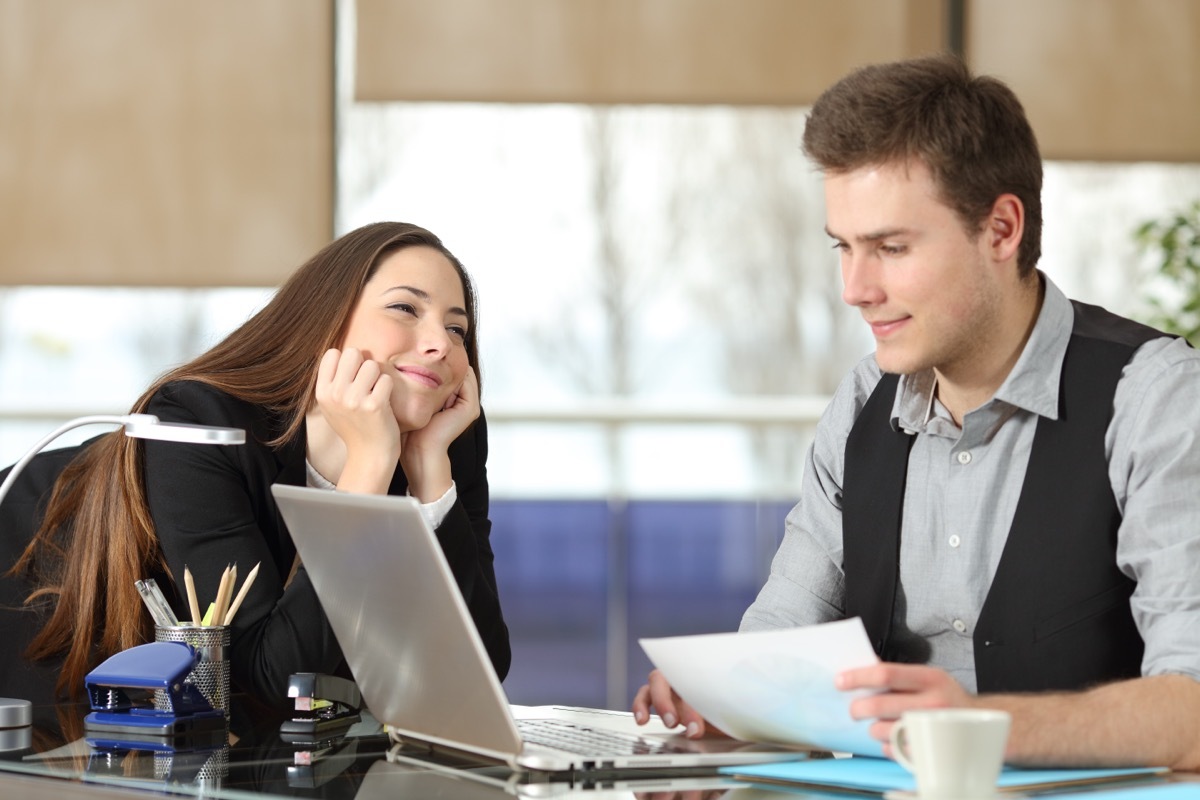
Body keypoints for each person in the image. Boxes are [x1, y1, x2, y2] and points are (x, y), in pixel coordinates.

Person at [633, 54, 1200, 769]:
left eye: (891, 248)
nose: (855, 288)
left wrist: (976, 724)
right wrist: (730, 696)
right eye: (844, 247)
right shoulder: (863, 402)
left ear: (1001, 230)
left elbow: (1194, 708)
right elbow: (783, 626)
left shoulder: (1156, 399)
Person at [0, 221, 510, 708]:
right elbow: (279, 676)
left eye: (457, 328)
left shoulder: (443, 441)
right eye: (404, 308)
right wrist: (370, 464)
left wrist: (429, 477)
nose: (440, 343)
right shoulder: (198, 421)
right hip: (40, 629)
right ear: (324, 319)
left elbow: (483, 667)